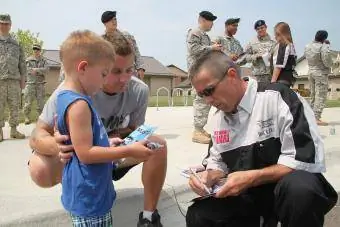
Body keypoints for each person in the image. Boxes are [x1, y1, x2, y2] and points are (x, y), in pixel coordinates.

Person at [186, 50, 338, 227]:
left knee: (300, 189)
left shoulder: (278, 98)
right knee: (200, 215)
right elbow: (217, 162)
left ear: (232, 75)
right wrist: (208, 176)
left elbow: (304, 160)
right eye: (202, 95)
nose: (207, 101)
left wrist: (252, 177)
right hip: (247, 198)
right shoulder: (219, 119)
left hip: (285, 193)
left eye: (210, 91)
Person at [28, 34, 166, 227]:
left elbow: (136, 130)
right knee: (39, 167)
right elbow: (36, 136)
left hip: (111, 152)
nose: (125, 78)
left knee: (157, 145)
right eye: (115, 71)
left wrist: (116, 139)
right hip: (82, 159)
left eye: (130, 70)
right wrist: (57, 146)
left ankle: (149, 217)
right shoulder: (71, 94)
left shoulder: (139, 90)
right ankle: (78, 191)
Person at [186, 10, 222, 144]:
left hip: (204, 71)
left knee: (204, 99)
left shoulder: (205, 36)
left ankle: (200, 129)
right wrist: (212, 48)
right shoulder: (195, 33)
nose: (212, 24)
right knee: (200, 100)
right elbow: (194, 50)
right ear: (202, 20)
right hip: (197, 72)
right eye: (210, 20)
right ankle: (197, 130)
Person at [0, 13, 26, 141]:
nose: (4, 26)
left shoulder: (16, 43)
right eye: (2, 23)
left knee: (14, 105)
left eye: (6, 24)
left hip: (14, 80)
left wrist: (23, 80)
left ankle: (14, 130)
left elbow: (22, 63)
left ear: (10, 25)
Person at [101, 10, 145, 80]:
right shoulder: (102, 41)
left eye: (115, 19)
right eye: (110, 20)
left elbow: (136, 52)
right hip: (112, 74)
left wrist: (141, 68)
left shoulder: (126, 36)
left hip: (130, 72)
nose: (114, 22)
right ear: (105, 23)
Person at [304, 30, 333, 126]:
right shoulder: (323, 47)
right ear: (324, 38)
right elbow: (327, 62)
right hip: (320, 73)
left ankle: (310, 115)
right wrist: (327, 46)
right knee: (320, 95)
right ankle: (316, 117)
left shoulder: (307, 46)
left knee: (313, 95)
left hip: (311, 72)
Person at [242, 19, 275, 91]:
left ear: (266, 27)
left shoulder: (273, 42)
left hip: (271, 75)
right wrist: (256, 56)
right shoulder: (252, 43)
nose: (260, 30)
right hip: (257, 76)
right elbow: (243, 57)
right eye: (258, 29)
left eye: (262, 28)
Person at [23, 43, 49, 124]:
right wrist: (40, 71)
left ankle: (40, 118)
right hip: (30, 84)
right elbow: (27, 70)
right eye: (34, 49)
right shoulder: (28, 60)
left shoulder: (44, 60)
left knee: (41, 103)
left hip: (40, 84)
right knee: (28, 102)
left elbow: (47, 70)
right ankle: (26, 117)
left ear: (40, 50)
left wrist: (37, 70)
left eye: (37, 49)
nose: (35, 51)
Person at [270, 22, 297, 87]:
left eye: (277, 34)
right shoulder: (291, 45)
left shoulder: (283, 45)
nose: (275, 37)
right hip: (288, 78)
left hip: (281, 79)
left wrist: (272, 83)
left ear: (283, 34)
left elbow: (278, 66)